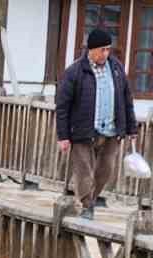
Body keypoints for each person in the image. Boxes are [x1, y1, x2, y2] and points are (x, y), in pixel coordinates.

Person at [56, 28, 138, 218]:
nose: (106, 54)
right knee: (84, 170)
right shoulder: (75, 71)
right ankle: (86, 206)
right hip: (83, 130)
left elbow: (127, 99)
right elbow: (62, 106)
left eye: (108, 49)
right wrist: (63, 136)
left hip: (111, 130)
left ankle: (90, 199)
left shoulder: (116, 68)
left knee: (105, 171)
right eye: (102, 49)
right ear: (91, 50)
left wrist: (131, 127)